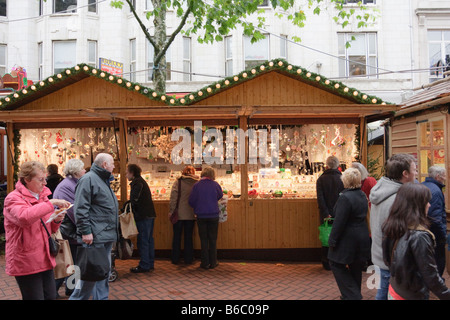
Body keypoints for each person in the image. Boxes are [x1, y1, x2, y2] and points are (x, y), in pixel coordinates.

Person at [3, 161, 70, 300]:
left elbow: (48, 229)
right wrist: (50, 203)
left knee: (51, 296)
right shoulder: (13, 199)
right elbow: (24, 217)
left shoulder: (42, 197)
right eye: (40, 179)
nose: (45, 183)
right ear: (27, 180)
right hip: (26, 260)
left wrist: (57, 219)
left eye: (45, 178)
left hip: (45, 257)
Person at [382, 183, 450, 300]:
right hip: (412, 294)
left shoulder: (392, 226)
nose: (429, 205)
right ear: (417, 206)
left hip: (396, 289)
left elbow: (387, 259)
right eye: (426, 202)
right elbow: (431, 276)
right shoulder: (420, 236)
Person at [69, 153, 119, 300]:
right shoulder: (89, 179)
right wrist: (86, 231)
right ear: (104, 165)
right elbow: (80, 208)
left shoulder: (101, 180)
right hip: (95, 236)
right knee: (89, 275)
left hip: (103, 235)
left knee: (102, 272)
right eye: (112, 163)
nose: (114, 166)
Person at [369, 153, 416, 300]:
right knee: (386, 294)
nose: (416, 172)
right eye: (414, 169)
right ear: (405, 173)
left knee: (383, 292)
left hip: (380, 255)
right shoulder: (398, 198)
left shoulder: (381, 191)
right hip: (391, 259)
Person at [328, 168, 371, 300]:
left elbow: (339, 221)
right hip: (362, 235)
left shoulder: (345, 198)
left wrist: (332, 239)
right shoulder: (362, 195)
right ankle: (353, 294)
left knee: (335, 263)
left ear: (345, 181)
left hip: (348, 238)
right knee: (355, 267)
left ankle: (353, 295)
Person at [53, 159, 86, 297]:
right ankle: (64, 289)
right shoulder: (67, 186)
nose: (85, 171)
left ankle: (70, 289)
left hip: (70, 231)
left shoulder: (71, 184)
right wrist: (84, 227)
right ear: (76, 171)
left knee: (71, 262)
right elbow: (73, 210)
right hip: (69, 232)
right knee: (69, 262)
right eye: (83, 168)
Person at [189, 166, 223, 270]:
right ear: (212, 175)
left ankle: (205, 263)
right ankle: (213, 262)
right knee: (213, 239)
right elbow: (220, 195)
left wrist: (198, 206)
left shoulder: (196, 185)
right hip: (213, 215)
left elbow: (191, 201)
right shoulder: (215, 184)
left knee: (203, 239)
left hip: (201, 216)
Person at [125, 163, 157, 273]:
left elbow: (135, 200)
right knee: (148, 240)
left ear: (132, 173)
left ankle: (144, 264)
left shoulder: (137, 183)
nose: (126, 175)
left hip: (143, 215)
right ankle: (149, 262)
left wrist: (127, 207)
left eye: (127, 172)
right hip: (149, 214)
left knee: (143, 240)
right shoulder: (141, 182)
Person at [316, 155, 344, 270]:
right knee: (340, 237)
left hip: (326, 213)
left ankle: (326, 261)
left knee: (326, 236)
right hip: (340, 213)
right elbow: (344, 197)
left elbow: (320, 198)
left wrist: (325, 212)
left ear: (326, 165)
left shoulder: (321, 179)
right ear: (338, 165)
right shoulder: (342, 178)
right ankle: (338, 261)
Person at [169, 165, 200, 265]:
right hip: (191, 214)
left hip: (179, 214)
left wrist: (171, 211)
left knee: (177, 236)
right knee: (188, 237)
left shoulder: (178, 182)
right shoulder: (196, 183)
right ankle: (188, 258)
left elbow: (173, 198)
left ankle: (175, 258)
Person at [422, 165, 447, 277]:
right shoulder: (436, 191)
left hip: (422, 231)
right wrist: (442, 235)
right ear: (438, 176)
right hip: (433, 233)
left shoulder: (421, 186)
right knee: (438, 259)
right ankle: (436, 282)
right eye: (444, 176)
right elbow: (435, 218)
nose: (445, 178)